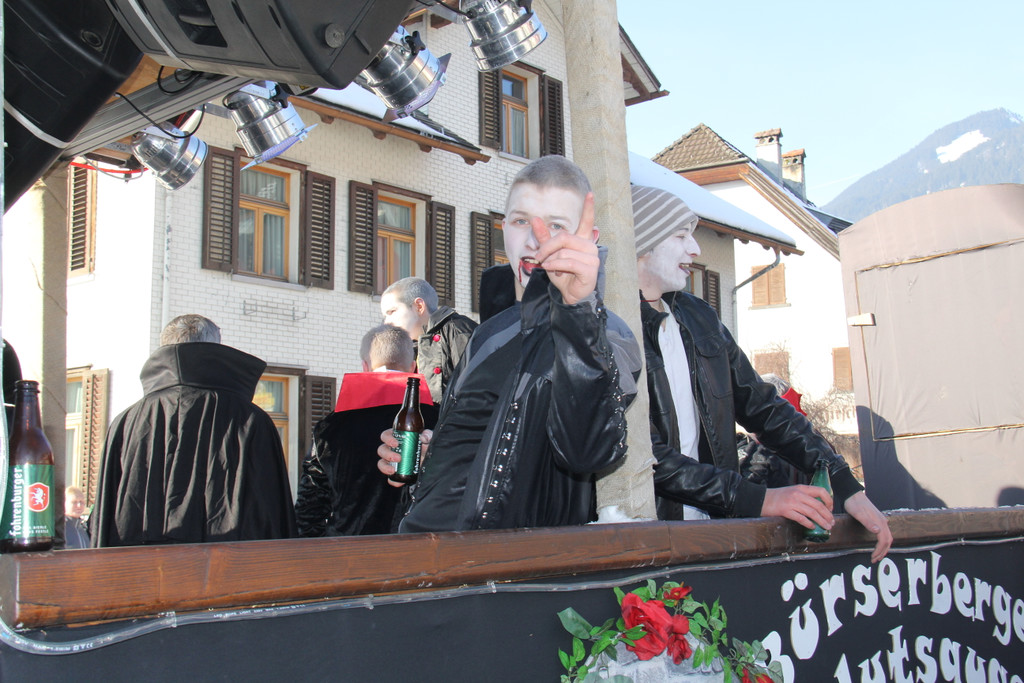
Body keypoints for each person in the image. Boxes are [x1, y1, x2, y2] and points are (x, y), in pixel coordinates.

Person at [379, 155, 642, 532]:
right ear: (503, 229)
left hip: (509, 559)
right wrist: (428, 453)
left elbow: (588, 452)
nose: (535, 239)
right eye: (521, 221)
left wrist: (579, 310)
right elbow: (478, 444)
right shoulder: (490, 330)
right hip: (426, 546)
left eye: (555, 225)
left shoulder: (611, 335)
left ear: (589, 239)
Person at [631, 184, 892, 562]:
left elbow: (764, 407)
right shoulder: (609, 328)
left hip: (714, 536)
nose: (696, 249)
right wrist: (758, 498)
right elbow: (643, 458)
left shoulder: (699, 318)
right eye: (680, 235)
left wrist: (843, 481)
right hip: (643, 542)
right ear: (643, 243)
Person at [90, 314, 295, 546]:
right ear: (215, 348)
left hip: (142, 564)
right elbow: (270, 513)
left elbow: (106, 516)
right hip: (227, 563)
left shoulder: (126, 422)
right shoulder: (251, 420)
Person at [295, 324, 438, 536]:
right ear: (413, 366)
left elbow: (310, 506)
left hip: (349, 549)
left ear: (365, 366)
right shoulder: (441, 419)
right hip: (423, 546)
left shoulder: (331, 426)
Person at [381, 277, 477, 403]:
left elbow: (475, 389)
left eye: (392, 311)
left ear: (419, 306)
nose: (387, 322)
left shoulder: (457, 330)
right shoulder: (407, 348)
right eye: (385, 316)